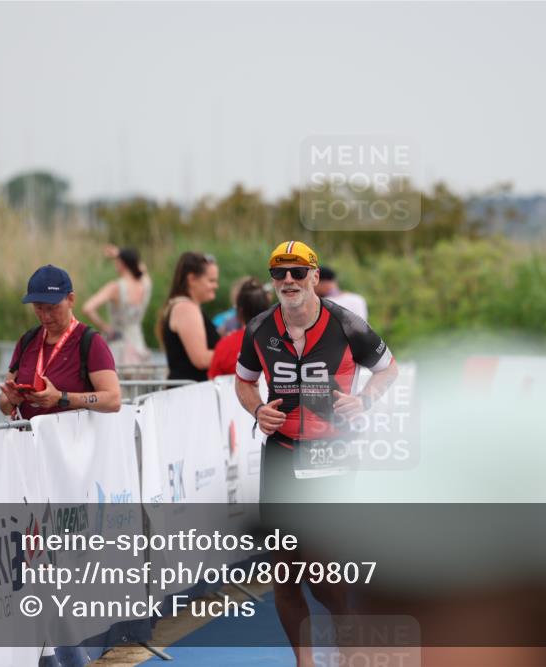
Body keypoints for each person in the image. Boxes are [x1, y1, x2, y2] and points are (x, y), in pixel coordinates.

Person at [234, 240, 398, 663]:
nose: (287, 280)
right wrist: (257, 409)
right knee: (284, 572)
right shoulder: (259, 329)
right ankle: (304, 662)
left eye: (296, 271)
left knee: (322, 569)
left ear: (313, 275)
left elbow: (388, 369)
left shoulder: (346, 324)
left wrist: (363, 401)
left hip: (333, 455)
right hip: (283, 452)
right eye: (278, 272)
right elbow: (243, 381)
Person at [0, 265, 121, 419]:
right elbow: (3, 405)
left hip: (72, 440)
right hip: (28, 440)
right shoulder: (27, 341)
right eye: (38, 308)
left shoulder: (91, 342)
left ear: (71, 300)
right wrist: (11, 400)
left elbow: (113, 400)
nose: (45, 316)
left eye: (52, 308)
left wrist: (61, 398)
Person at [82, 244, 153, 369]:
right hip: (138, 343)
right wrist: (121, 254)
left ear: (121, 264)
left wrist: (106, 328)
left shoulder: (115, 287)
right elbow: (142, 268)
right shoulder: (145, 284)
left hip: (118, 345)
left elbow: (87, 308)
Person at [156, 252, 220, 382]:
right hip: (189, 394)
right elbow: (200, 359)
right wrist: (234, 352)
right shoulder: (186, 308)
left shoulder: (185, 306)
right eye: (211, 280)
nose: (216, 286)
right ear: (192, 279)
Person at [207, 278, 269, 379]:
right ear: (267, 309)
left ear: (239, 311)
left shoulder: (225, 345)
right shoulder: (282, 341)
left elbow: (213, 381)